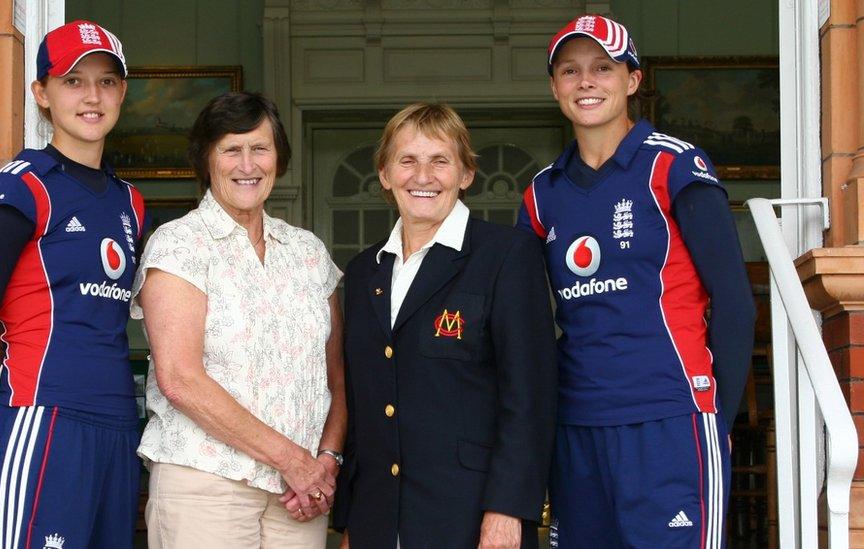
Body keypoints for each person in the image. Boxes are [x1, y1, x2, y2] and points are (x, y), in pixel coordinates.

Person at [516, 15, 756, 548]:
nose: (586, 82)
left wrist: (720, 418)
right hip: (576, 424)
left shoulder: (675, 165)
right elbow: (525, 322)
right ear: (554, 86)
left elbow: (736, 304)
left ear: (632, 80)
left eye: (603, 68)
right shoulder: (541, 194)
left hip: (670, 416)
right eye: (570, 70)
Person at [0, 20, 146, 547]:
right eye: (73, 82)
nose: (92, 97)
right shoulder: (19, 187)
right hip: (39, 422)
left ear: (122, 92)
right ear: (42, 94)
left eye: (106, 81)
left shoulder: (130, 202)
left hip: (118, 427)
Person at [333, 103, 558, 549]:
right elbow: (363, 403)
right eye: (407, 161)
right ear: (384, 174)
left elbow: (530, 396)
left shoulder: (507, 255)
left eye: (440, 160)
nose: (423, 176)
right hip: (378, 518)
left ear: (465, 174)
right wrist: (352, 519)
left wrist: (509, 510)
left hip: (472, 516)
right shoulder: (363, 273)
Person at [132, 91, 346, 549]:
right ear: (207, 159)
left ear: (278, 158)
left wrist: (326, 458)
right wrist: (294, 460)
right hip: (207, 486)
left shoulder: (308, 252)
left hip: (298, 496)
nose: (247, 164)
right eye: (231, 149)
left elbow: (335, 377)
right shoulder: (180, 245)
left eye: (260, 148)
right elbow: (180, 380)